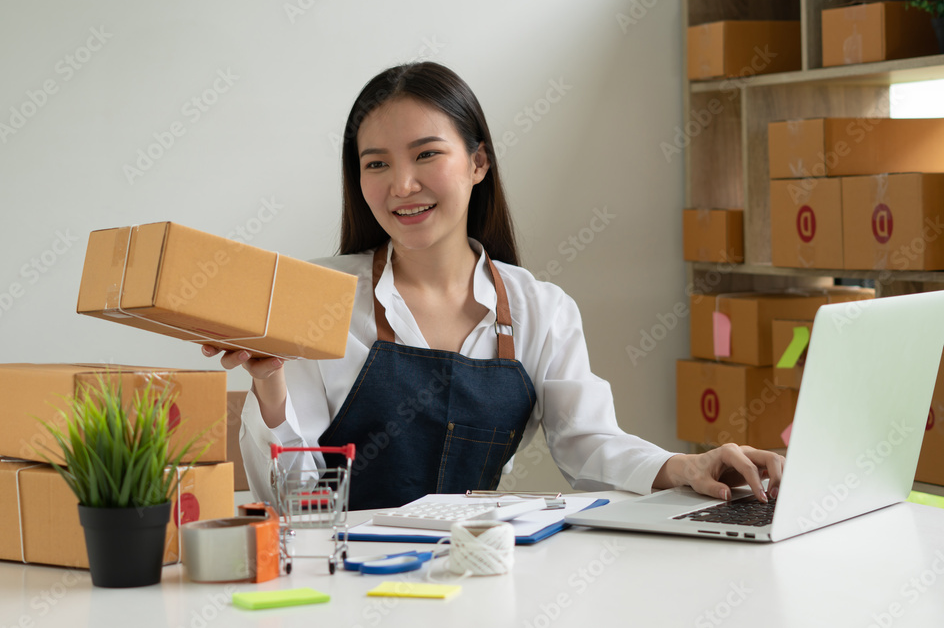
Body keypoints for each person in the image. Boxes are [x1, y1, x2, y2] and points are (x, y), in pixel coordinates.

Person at [204, 61, 784, 511]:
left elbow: (588, 443)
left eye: (426, 154)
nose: (402, 185)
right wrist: (271, 384)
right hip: (341, 581)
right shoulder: (313, 298)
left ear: (479, 163)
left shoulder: (541, 309)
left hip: (473, 572)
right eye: (376, 164)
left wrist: (687, 467)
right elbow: (297, 501)